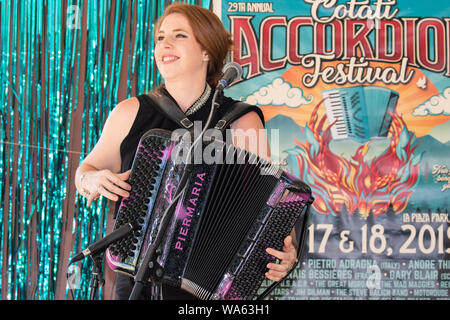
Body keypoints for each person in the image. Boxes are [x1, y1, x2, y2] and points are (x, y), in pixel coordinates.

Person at [75, 3, 297, 300]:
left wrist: (284, 249)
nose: (164, 43)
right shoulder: (130, 111)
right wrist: (93, 179)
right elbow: (85, 171)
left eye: (179, 35)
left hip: (206, 287)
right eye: (160, 37)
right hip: (134, 282)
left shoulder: (241, 120)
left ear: (207, 51)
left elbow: (267, 201)